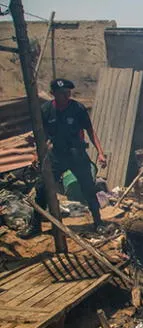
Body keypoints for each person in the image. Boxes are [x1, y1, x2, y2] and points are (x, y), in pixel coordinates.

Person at [20, 79, 108, 238]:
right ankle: (35, 226)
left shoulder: (77, 108)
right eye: (63, 93)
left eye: (68, 93)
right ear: (53, 94)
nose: (67, 96)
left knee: (88, 188)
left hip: (77, 154)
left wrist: (100, 153)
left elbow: (90, 131)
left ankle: (98, 223)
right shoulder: (46, 110)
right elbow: (42, 135)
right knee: (42, 188)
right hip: (56, 154)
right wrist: (35, 154)